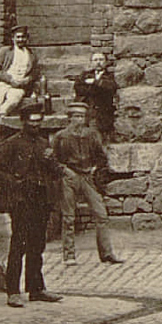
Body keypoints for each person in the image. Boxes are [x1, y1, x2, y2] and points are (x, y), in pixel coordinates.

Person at [0, 100, 62, 305]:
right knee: (18, 245)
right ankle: (13, 291)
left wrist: (51, 161)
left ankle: (36, 289)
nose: (35, 125)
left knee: (37, 246)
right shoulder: (11, 144)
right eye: (32, 121)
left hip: (41, 199)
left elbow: (56, 173)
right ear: (23, 122)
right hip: (21, 201)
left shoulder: (44, 144)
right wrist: (15, 183)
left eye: (38, 121)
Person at [54, 101, 122, 265]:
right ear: (70, 118)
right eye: (76, 116)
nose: (80, 120)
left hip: (87, 177)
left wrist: (94, 168)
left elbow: (101, 157)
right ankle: (69, 255)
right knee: (69, 217)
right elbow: (54, 160)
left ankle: (107, 253)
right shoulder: (61, 136)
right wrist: (64, 170)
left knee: (101, 214)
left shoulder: (91, 135)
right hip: (69, 176)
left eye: (82, 116)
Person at [0, 26, 41, 149]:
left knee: (13, 101)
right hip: (2, 83)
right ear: (13, 38)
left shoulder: (31, 54)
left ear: (27, 38)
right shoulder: (5, 51)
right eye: (18, 37)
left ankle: (0, 124)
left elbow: (35, 73)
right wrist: (10, 80)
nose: (20, 40)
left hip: (19, 86)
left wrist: (27, 80)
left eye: (23, 37)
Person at [73, 50, 119, 140]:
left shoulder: (110, 76)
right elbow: (78, 87)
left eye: (101, 60)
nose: (98, 62)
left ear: (106, 62)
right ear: (91, 62)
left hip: (102, 112)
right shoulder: (85, 75)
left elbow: (110, 87)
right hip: (87, 110)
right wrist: (96, 89)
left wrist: (95, 82)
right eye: (95, 60)